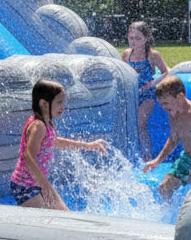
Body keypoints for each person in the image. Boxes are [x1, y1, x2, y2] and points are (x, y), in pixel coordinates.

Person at [10, 79, 108, 210]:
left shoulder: (47, 123)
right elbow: (28, 157)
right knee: (50, 219)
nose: (63, 107)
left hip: (37, 183)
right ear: (44, 103)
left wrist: (88, 145)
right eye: (59, 102)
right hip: (24, 186)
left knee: (65, 215)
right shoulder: (38, 126)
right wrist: (45, 185)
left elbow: (56, 142)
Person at [142, 75, 191, 202]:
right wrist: (157, 161)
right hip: (187, 158)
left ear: (180, 96)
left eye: (166, 103)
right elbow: (173, 138)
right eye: (161, 104)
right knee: (163, 188)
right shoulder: (173, 113)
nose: (164, 107)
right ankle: (173, 212)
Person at [121, 21, 169, 161]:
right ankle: (130, 156)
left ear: (145, 39)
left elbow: (166, 72)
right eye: (131, 38)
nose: (133, 42)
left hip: (147, 95)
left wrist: (151, 84)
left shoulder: (152, 55)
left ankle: (148, 157)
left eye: (138, 38)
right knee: (126, 125)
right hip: (131, 95)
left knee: (140, 125)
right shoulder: (127, 54)